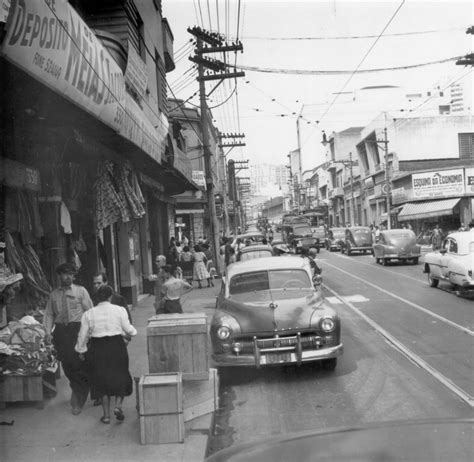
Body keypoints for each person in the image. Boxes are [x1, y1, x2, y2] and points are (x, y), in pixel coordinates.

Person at [75, 285, 137, 424]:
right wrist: (132, 332)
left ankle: (106, 416)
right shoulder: (119, 310)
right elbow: (129, 330)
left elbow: (82, 335)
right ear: (110, 297)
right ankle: (118, 406)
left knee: (101, 380)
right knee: (121, 375)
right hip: (117, 346)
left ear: (97, 298)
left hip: (98, 348)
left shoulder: (89, 314)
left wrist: (81, 350)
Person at [44, 263, 93, 415]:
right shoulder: (54, 295)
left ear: (74, 275)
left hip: (77, 330)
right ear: (59, 276)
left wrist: (90, 333)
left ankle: (77, 398)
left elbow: (90, 312)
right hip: (61, 332)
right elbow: (49, 314)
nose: (68, 277)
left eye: (70, 274)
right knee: (66, 365)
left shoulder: (80, 291)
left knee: (78, 363)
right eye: (64, 274)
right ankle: (78, 388)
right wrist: (47, 331)